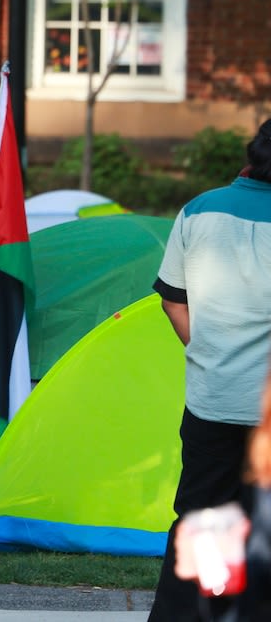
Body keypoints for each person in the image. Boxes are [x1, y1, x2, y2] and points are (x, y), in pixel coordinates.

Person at [146, 120, 271, 621]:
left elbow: (172, 301)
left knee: (201, 520)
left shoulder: (198, 210)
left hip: (213, 399)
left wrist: (210, 349)